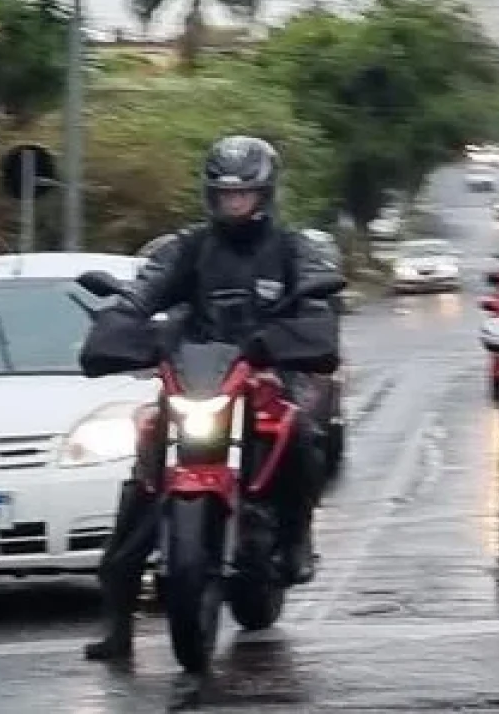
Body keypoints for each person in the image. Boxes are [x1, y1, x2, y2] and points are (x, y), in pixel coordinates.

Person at [81, 135, 341, 661]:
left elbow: (319, 293)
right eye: (225, 194)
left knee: (302, 432)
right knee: (144, 472)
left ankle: (295, 537)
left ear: (264, 194)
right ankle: (117, 624)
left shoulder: (293, 249)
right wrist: (123, 318)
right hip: (199, 376)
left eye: (243, 194)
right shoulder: (190, 247)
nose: (234, 203)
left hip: (270, 372)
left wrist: (309, 320)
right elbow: (145, 291)